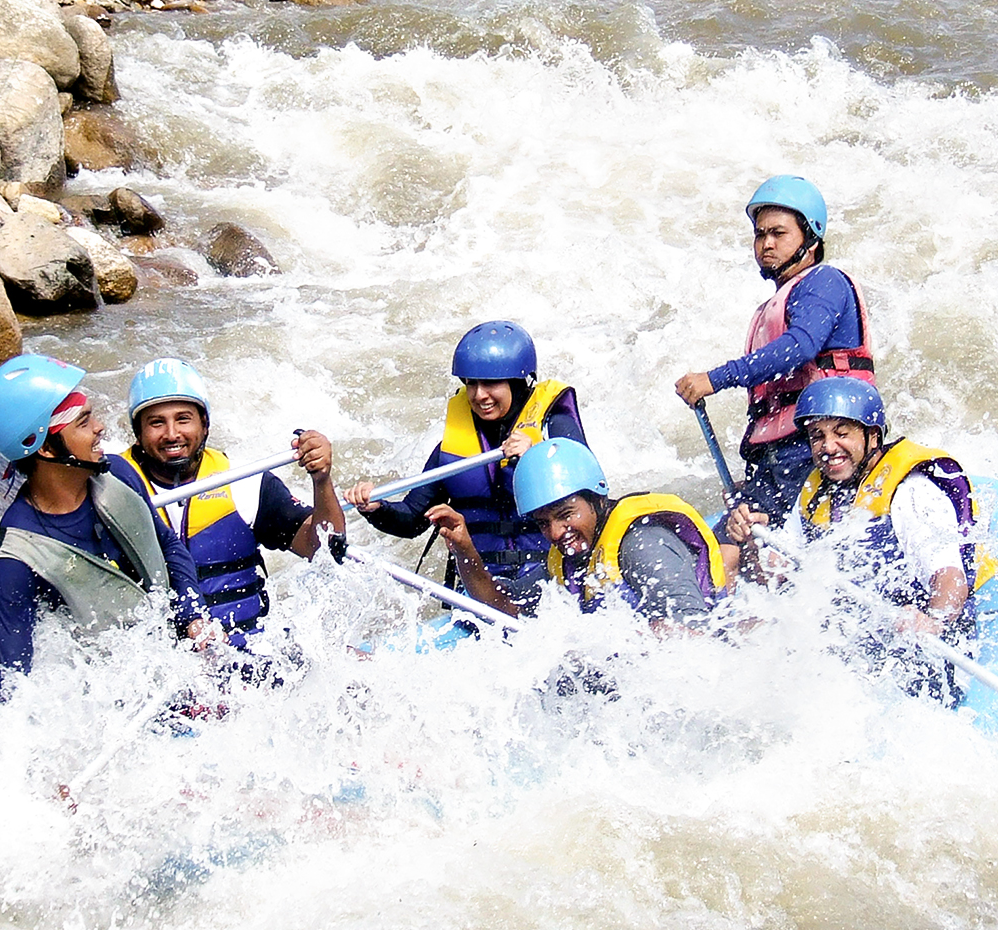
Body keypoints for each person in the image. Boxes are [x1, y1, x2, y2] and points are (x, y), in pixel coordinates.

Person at [722, 378, 996, 702]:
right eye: (817, 436)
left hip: (919, 645)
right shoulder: (816, 491)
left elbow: (949, 577)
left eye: (842, 433)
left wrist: (933, 620)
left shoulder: (910, 491)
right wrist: (751, 544)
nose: (828, 447)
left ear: (872, 436)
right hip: (853, 636)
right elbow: (775, 575)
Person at [0, 354, 209, 708]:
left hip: (174, 666)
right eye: (83, 422)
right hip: (109, 706)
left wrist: (192, 616)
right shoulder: (11, 565)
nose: (100, 427)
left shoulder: (117, 473)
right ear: (48, 449)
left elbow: (167, 546)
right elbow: (11, 694)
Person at [108, 357, 345, 653]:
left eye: (183, 419)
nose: (171, 434)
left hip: (246, 658)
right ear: (138, 433)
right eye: (156, 422)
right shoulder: (109, 492)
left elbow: (324, 548)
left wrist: (321, 480)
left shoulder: (245, 482)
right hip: (160, 671)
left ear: (204, 424)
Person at [674, 175, 875, 519]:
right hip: (773, 458)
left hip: (815, 447)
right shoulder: (770, 308)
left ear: (810, 239)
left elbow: (800, 347)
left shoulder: (824, 283)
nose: (766, 244)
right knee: (731, 547)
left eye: (778, 233)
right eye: (759, 234)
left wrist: (716, 378)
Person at [344, 320, 587, 589]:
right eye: (471, 384)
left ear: (518, 383)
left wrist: (537, 458)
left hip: (552, 581)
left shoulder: (554, 429)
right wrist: (376, 508)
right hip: (482, 587)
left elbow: (590, 501)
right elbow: (411, 520)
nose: (479, 395)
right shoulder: (451, 450)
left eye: (491, 383)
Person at [426, 438, 726, 629]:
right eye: (543, 523)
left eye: (566, 515)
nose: (555, 533)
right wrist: (465, 551)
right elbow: (502, 607)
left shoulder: (643, 545)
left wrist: (602, 649)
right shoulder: (568, 561)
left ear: (596, 499)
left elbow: (692, 635)